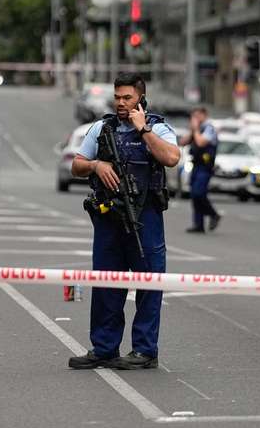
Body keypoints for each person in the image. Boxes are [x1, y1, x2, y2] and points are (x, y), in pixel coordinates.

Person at [68, 73, 180, 370]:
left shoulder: (158, 127)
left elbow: (171, 158)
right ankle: (104, 348)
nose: (120, 102)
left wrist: (143, 131)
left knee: (149, 284)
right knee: (105, 284)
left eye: (127, 98)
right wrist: (96, 164)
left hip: (145, 217)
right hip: (108, 217)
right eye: (117, 97)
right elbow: (76, 165)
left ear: (140, 99)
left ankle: (145, 351)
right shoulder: (101, 128)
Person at [178, 106, 220, 233]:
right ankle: (198, 224)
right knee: (194, 195)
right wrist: (193, 130)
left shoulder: (208, 128)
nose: (194, 119)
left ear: (204, 115)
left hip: (205, 167)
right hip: (196, 165)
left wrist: (195, 129)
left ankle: (213, 214)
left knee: (199, 193)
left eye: (196, 116)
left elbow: (201, 142)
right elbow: (182, 142)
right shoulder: (197, 130)